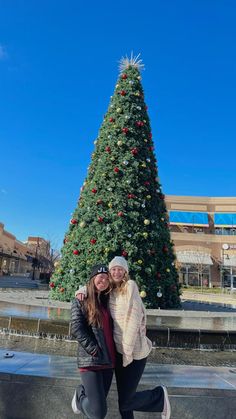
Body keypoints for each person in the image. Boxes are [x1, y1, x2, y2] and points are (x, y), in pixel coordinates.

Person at [76, 256, 171, 419]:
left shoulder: (130, 286)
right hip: (118, 354)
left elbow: (133, 321)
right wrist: (82, 290)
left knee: (126, 401)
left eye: (120, 269)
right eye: (113, 269)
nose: (116, 272)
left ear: (125, 271)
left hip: (134, 353)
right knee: (124, 404)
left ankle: (159, 397)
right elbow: (94, 287)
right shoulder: (109, 292)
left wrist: (127, 353)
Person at [71, 263, 116, 418]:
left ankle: (81, 400)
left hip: (109, 362)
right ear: (92, 279)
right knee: (99, 413)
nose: (103, 281)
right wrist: (94, 349)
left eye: (106, 278)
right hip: (91, 361)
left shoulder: (108, 300)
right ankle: (79, 397)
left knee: (96, 410)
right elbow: (76, 328)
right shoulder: (81, 299)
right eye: (100, 277)